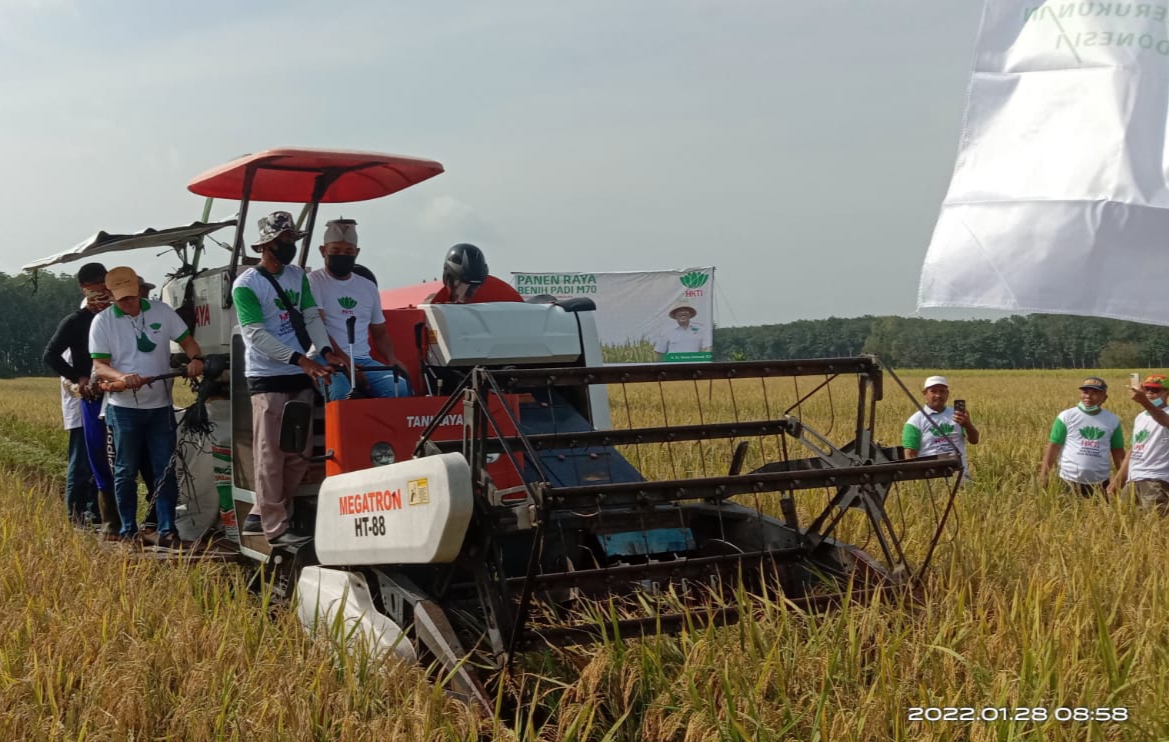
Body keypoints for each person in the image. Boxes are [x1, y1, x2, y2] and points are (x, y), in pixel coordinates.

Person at [232, 211, 339, 545]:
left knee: (298, 455)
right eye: (284, 239)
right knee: (271, 455)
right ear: (266, 245)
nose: (290, 244)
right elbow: (256, 336)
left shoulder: (297, 276)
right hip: (268, 377)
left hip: (299, 374)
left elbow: (310, 316)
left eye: (292, 238)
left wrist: (324, 350)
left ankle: (271, 513)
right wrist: (300, 360)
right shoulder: (246, 285)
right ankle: (275, 527)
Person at [89, 266, 204, 548]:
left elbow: (187, 341)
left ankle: (167, 530)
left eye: (132, 297)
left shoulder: (161, 312)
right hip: (123, 408)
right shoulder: (103, 322)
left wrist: (196, 359)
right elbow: (100, 365)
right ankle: (128, 530)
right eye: (122, 299)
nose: (128, 303)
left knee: (165, 468)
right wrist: (122, 377)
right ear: (111, 296)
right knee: (125, 471)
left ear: (139, 290)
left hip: (160, 406)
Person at [307, 218, 409, 400]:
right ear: (323, 251)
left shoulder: (368, 286)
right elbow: (318, 327)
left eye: (348, 251)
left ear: (357, 252)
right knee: (342, 394)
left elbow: (380, 331)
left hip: (363, 360)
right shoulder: (313, 281)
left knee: (399, 389)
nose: (342, 255)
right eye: (335, 251)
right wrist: (345, 361)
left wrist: (392, 359)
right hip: (324, 357)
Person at [42, 262, 109, 528]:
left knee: (104, 459)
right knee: (82, 460)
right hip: (86, 399)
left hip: (112, 397)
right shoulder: (76, 321)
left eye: (104, 284)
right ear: (84, 289)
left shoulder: (114, 317)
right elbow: (51, 355)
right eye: (95, 287)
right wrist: (77, 378)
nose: (101, 292)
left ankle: (98, 513)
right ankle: (76, 516)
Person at [1040, 376, 1125, 497]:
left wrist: (1122, 479)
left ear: (1104, 397)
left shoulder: (1112, 420)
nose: (1088, 397)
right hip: (1068, 480)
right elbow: (1053, 447)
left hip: (1100, 482)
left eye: (1094, 393)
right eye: (1085, 392)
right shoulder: (1066, 416)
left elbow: (1118, 451)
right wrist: (1044, 475)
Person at [1108, 374, 1169, 512]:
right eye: (1146, 389)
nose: (1150, 393)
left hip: (1156, 480)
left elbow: (1162, 418)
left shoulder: (1165, 413)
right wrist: (1118, 480)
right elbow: (1133, 450)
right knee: (1123, 519)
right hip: (1133, 480)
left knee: (1154, 521)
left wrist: (1144, 402)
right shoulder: (1140, 417)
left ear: (1167, 392)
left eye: (1155, 390)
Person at [902, 375, 980, 476]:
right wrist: (917, 480)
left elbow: (974, 440)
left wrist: (967, 424)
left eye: (942, 391)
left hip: (960, 477)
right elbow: (910, 455)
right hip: (931, 479)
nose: (938, 395)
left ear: (947, 394)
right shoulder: (915, 421)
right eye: (933, 391)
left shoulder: (958, 415)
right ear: (925, 393)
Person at [430, 243, 524, 304]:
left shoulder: (504, 297)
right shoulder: (433, 305)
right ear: (448, 280)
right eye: (465, 286)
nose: (468, 295)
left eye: (475, 287)